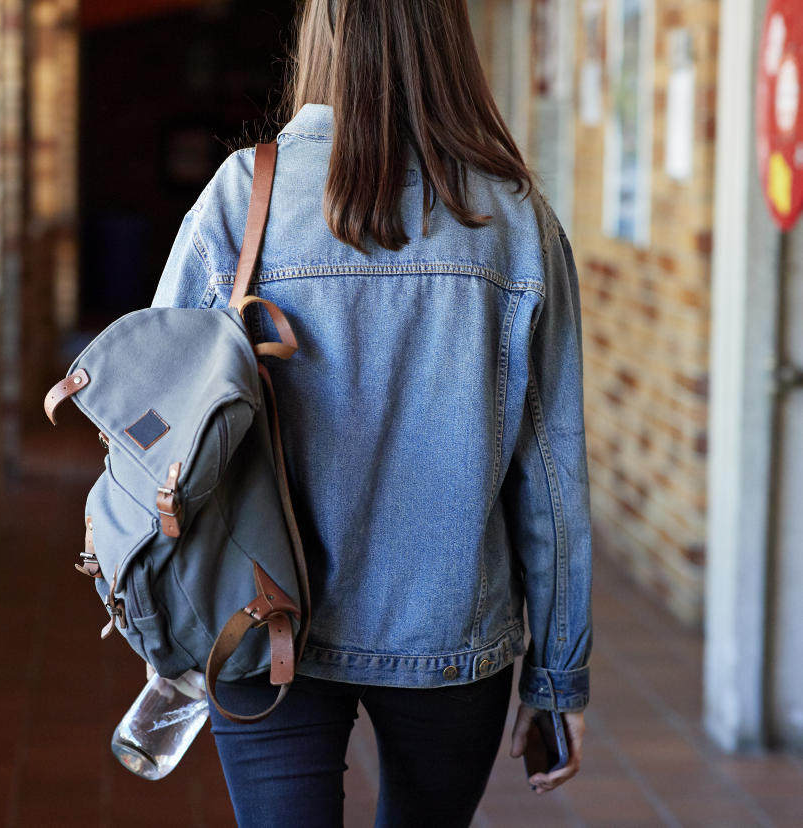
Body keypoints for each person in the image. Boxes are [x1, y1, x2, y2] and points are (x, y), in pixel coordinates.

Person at [148, 1, 592, 825]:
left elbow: (160, 432)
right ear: (450, 41)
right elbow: (553, 480)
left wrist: (165, 630)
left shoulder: (242, 197)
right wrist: (556, 676)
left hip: (261, 616)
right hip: (452, 634)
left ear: (322, 35)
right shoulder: (517, 222)